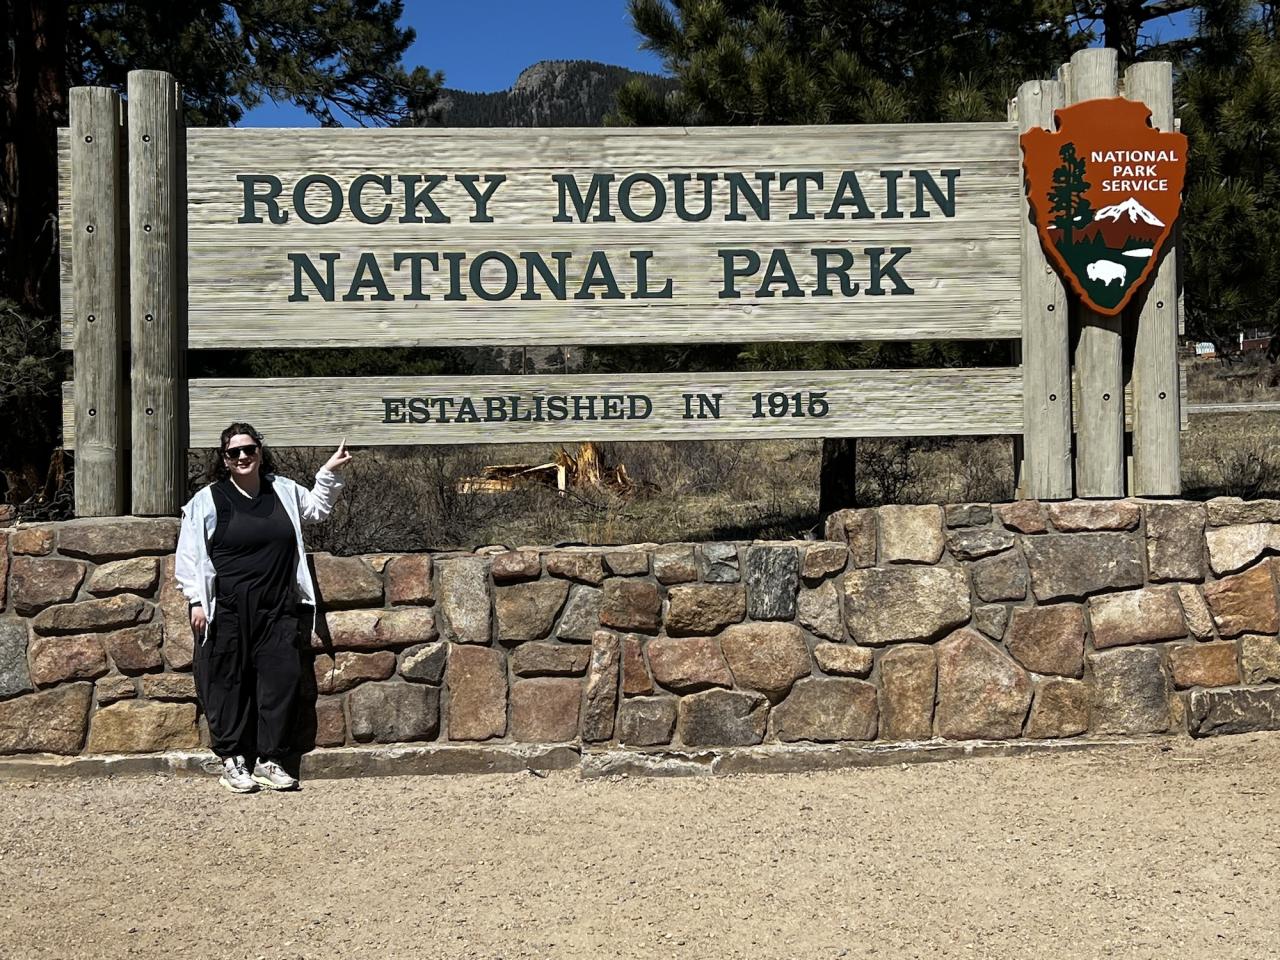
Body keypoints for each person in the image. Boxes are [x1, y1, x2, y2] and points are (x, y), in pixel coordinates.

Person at [175, 423, 351, 793]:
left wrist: (327, 473)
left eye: (249, 450)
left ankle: (270, 759)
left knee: (279, 680)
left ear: (260, 451)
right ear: (223, 459)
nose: (242, 457)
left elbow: (316, 510)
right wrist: (195, 599)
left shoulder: (282, 490)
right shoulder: (208, 500)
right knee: (226, 681)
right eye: (233, 452)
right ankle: (233, 759)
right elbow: (191, 555)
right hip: (227, 607)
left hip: (277, 606)